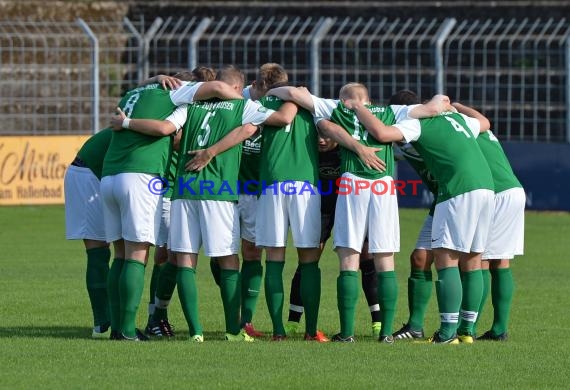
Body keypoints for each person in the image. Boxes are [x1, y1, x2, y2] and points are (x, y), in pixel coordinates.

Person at [267, 84, 447, 343]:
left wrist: (273, 91)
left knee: (348, 260)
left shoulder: (336, 107)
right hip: (384, 184)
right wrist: (445, 101)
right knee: (385, 260)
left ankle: (347, 333)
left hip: (353, 183)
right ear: (368, 99)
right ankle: (385, 333)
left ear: (344, 99)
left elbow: (294, 95)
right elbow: (432, 107)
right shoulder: (391, 111)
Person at [103, 73, 243, 341]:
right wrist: (237, 104)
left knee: (119, 255)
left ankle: (117, 327)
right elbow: (214, 88)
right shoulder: (175, 93)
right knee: (137, 255)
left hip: (111, 176)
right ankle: (129, 331)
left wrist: (152, 79)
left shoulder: (133, 93)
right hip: (140, 175)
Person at [344, 97, 494, 344]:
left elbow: (381, 133)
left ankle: (447, 334)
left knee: (446, 258)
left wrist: (359, 108)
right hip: (486, 188)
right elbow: (484, 123)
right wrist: (454, 105)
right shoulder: (457, 119)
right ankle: (467, 331)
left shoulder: (416, 123)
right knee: (473, 257)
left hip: (457, 189)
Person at [168, 65, 297, 342]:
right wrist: (297, 97)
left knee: (185, 261)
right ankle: (234, 330)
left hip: (184, 188)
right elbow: (282, 119)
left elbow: (171, 134)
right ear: (238, 89)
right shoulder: (244, 108)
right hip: (219, 190)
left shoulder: (190, 103)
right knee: (229, 260)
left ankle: (195, 333)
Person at [285, 134, 384, 338]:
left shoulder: (348, 152)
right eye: (318, 135)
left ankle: (378, 321)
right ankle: (293, 322)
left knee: (366, 259)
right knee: (307, 262)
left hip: (348, 209)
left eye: (326, 136)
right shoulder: (308, 151)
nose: (321, 140)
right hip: (319, 210)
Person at [143, 67, 217, 338]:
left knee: (177, 256)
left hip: (189, 192)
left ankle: (157, 315)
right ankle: (155, 316)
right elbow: (172, 140)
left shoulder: (198, 111)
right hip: (168, 191)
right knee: (166, 255)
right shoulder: (177, 110)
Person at [471, 129, 525, 341]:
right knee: (500, 261)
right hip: (513, 190)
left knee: (481, 260)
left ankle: (470, 327)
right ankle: (499, 329)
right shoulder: (479, 126)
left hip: (498, 193)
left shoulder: (459, 128)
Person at [64, 128, 113, 339]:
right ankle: (102, 324)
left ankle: (117, 321)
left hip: (105, 174)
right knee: (98, 251)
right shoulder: (161, 120)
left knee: (124, 250)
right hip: (88, 173)